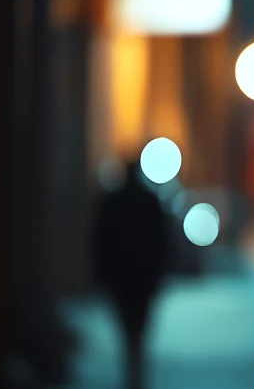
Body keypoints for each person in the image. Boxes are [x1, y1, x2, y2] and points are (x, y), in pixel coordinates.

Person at [93, 161, 170, 389]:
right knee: (139, 330)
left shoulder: (112, 202)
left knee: (128, 330)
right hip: (143, 279)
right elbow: (162, 242)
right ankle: (136, 376)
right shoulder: (149, 201)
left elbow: (100, 241)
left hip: (121, 280)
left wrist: (101, 275)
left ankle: (132, 376)